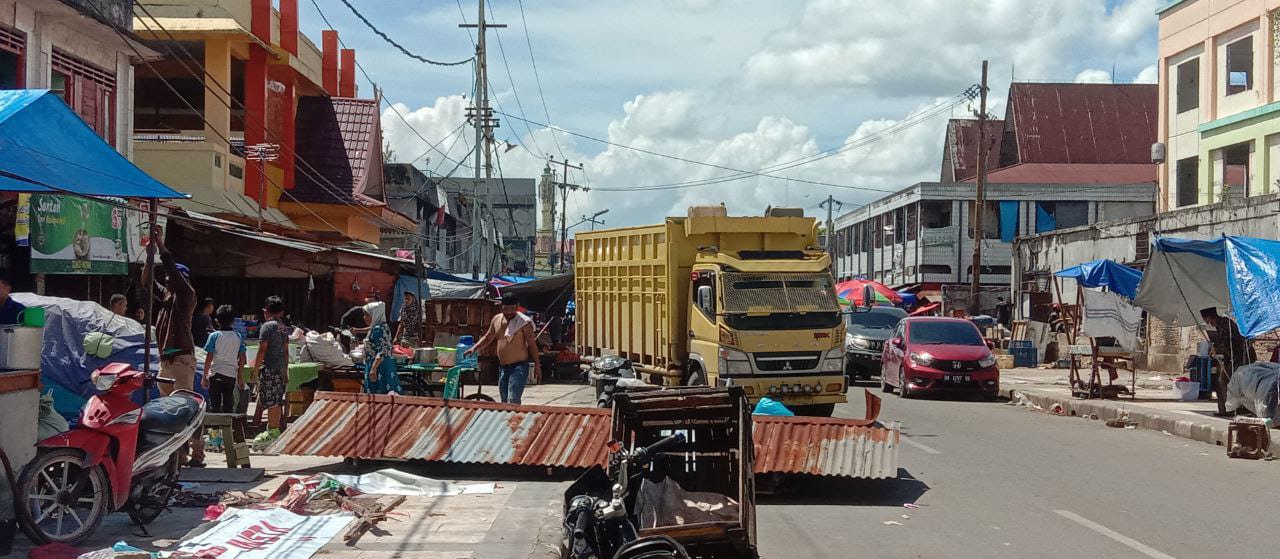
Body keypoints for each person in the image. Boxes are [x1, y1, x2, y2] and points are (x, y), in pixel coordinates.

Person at [149, 232, 204, 466]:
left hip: (181, 358)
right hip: (167, 360)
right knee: (170, 412)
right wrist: (149, 255)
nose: (168, 279)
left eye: (173, 277)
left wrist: (160, 243)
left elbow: (170, 268)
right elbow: (146, 282)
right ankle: (177, 455)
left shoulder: (186, 295)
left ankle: (196, 453)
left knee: (185, 408)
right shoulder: (167, 297)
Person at [466, 294, 541, 404]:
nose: (509, 312)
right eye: (507, 309)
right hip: (503, 367)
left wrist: (537, 365)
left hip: (518, 367)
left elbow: (532, 345)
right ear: (502, 307)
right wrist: (474, 348)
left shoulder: (524, 322)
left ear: (517, 307)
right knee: (504, 401)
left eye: (512, 309)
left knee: (513, 400)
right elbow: (487, 338)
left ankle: (514, 420)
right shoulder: (496, 319)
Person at [1200, 307, 1257, 417]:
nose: (1207, 322)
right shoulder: (1221, 324)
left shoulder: (1224, 323)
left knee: (1226, 382)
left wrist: (1216, 348)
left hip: (1241, 357)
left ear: (1208, 317)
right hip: (1233, 358)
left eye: (1206, 319)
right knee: (1225, 382)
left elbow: (1228, 342)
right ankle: (1227, 409)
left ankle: (1229, 409)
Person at [253, 296, 289, 433]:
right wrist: (285, 370)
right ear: (281, 312)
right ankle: (274, 429)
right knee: (277, 399)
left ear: (265, 311)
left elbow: (262, 349)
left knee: (270, 400)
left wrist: (255, 369)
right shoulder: (283, 327)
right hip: (280, 367)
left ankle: (272, 430)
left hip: (269, 367)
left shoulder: (267, 326)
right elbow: (286, 351)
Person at [201, 306, 246, 414]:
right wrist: (240, 377)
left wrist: (204, 376)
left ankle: (215, 430)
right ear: (233, 321)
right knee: (228, 402)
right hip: (231, 375)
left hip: (215, 374)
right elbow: (242, 359)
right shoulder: (238, 336)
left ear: (217, 320)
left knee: (215, 404)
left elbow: (208, 358)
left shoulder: (214, 336)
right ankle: (228, 428)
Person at [361, 301, 402, 395]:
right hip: (385, 365)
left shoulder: (377, 330)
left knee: (379, 397)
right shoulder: (384, 326)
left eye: (366, 315)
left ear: (374, 315)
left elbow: (383, 350)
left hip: (379, 368)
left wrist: (373, 369)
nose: (364, 318)